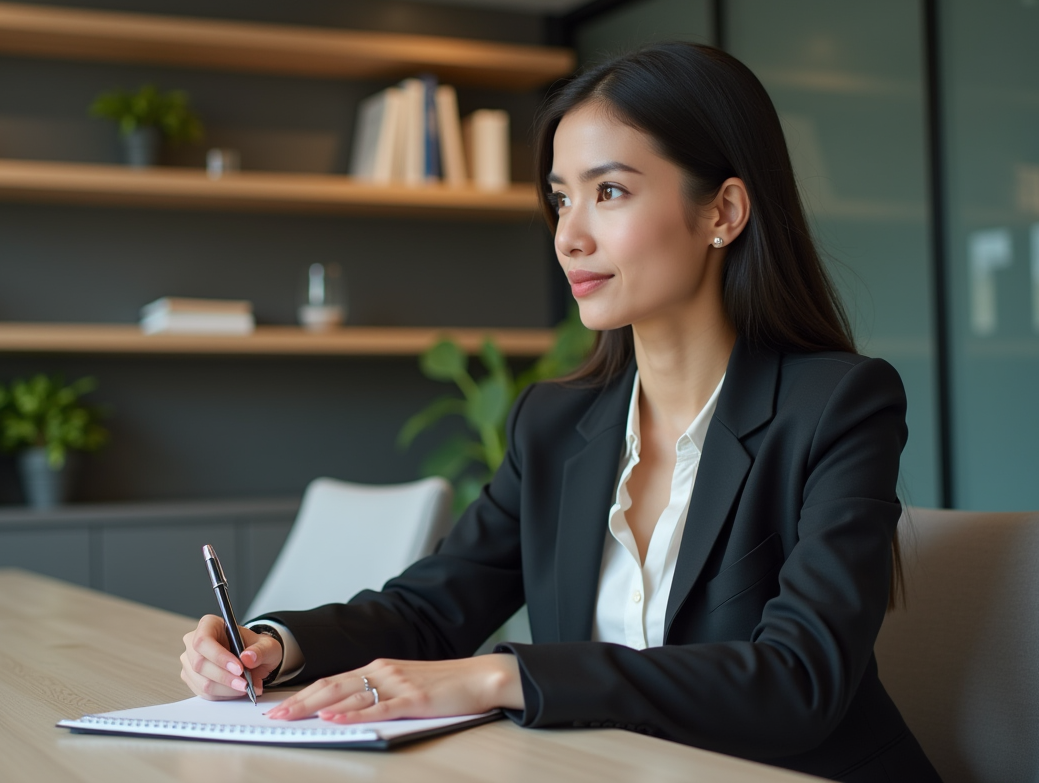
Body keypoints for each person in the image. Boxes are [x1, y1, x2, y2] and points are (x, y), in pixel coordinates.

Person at [180, 42, 942, 782]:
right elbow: (429, 609)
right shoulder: (554, 424)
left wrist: (504, 678)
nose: (569, 237)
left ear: (724, 211)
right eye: (560, 198)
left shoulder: (838, 405)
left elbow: (798, 680)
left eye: (609, 192)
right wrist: (273, 645)